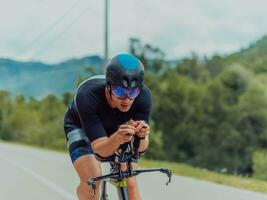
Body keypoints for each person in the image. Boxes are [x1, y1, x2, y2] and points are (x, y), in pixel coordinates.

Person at [64, 53, 152, 200]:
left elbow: (141, 150)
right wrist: (117, 138)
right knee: (93, 180)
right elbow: (100, 151)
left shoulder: (143, 97)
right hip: (80, 125)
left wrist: (142, 136)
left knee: (130, 180)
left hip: (116, 126)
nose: (127, 99)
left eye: (133, 92)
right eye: (119, 92)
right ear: (108, 86)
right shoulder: (87, 95)